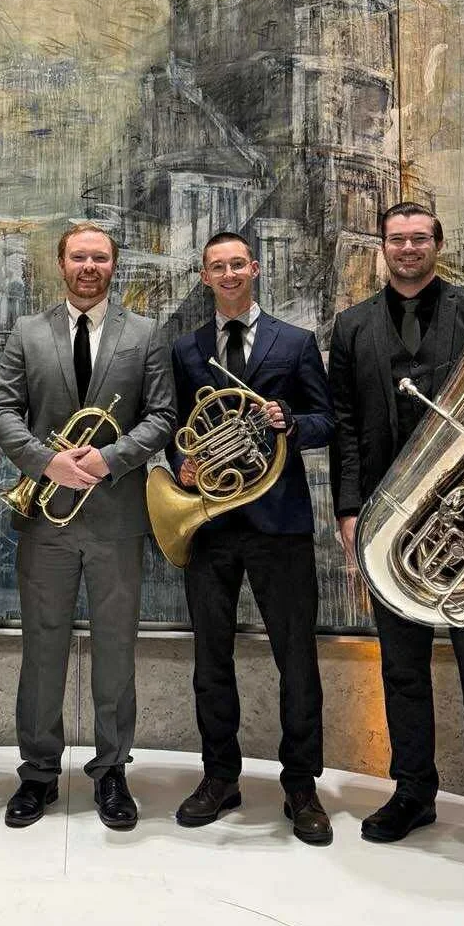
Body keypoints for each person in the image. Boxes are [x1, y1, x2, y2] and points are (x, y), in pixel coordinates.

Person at [328, 201, 464, 875]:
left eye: (419, 238)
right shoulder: (352, 326)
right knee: (400, 670)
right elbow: (344, 424)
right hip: (390, 525)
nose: (408, 249)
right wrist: (347, 509)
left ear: (437, 243)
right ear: (383, 247)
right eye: (397, 239)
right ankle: (413, 793)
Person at [0, 224, 175, 831]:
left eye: (99, 257)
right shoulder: (28, 332)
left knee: (116, 650)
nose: (88, 266)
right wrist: (47, 462)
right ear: (61, 263)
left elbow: (163, 416)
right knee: (41, 648)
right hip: (46, 519)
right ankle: (38, 772)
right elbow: (3, 410)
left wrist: (109, 459)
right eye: (78, 257)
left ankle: (112, 770)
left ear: (113, 266)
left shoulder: (145, 333)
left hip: (117, 519)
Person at [167, 233, 336, 841]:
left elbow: (326, 420)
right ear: (205, 277)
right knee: (210, 661)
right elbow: (175, 424)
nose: (229, 273)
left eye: (238, 263)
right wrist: (182, 463)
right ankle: (220, 777)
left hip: (279, 523)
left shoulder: (295, 342)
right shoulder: (186, 348)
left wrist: (289, 421)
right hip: (211, 523)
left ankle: (301, 785)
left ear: (255, 269)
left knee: (298, 660)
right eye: (218, 266)